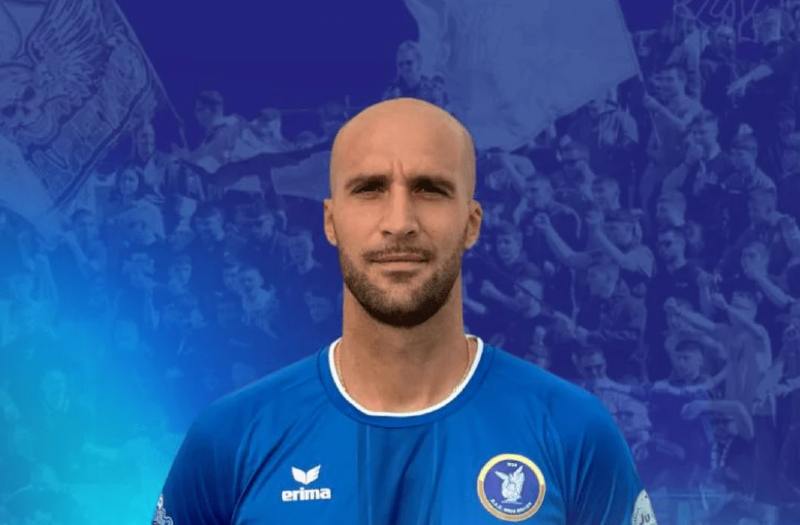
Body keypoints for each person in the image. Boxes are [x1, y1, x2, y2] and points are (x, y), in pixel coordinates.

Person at [155, 98, 656, 523]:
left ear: (472, 223)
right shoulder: (230, 440)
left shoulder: (572, 432)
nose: (399, 221)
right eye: (369, 189)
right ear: (330, 221)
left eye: (430, 189)